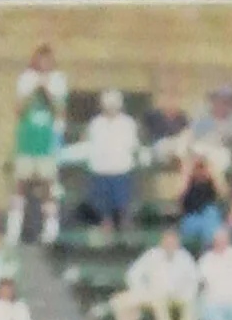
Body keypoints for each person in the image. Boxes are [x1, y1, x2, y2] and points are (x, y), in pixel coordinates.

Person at [68, 89, 141, 236]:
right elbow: (87, 144)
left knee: (123, 206)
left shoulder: (128, 123)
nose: (111, 108)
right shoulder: (96, 123)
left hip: (121, 169)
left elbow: (133, 145)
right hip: (100, 170)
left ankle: (126, 231)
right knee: (102, 207)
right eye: (108, 105)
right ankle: (105, 225)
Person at [110, 228, 200, 320]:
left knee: (190, 303)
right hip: (155, 294)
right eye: (168, 241)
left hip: (179, 296)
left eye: (173, 242)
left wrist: (184, 293)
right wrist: (142, 289)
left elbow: (193, 280)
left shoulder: (185, 258)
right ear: (162, 242)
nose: (170, 245)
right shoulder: (152, 255)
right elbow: (133, 274)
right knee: (121, 301)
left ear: (178, 243)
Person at [9, 87, 65, 244]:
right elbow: (17, 108)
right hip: (26, 154)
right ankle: (14, 230)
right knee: (20, 190)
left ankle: (51, 230)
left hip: (45, 155)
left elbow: (59, 108)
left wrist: (47, 89)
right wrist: (32, 89)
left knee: (48, 192)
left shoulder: (51, 113)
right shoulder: (26, 111)